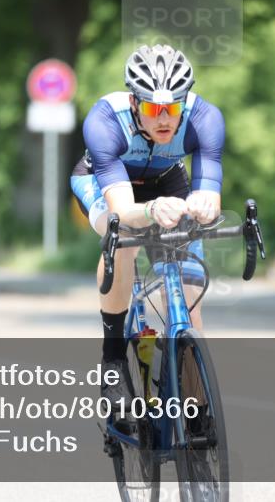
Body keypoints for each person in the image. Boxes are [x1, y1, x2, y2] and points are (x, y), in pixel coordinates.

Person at [69, 44, 225, 408]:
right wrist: (151, 210)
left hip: (167, 180)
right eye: (154, 109)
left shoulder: (205, 119)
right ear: (135, 102)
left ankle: (196, 403)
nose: (164, 118)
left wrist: (204, 205)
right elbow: (122, 210)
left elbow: (211, 195)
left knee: (189, 297)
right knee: (124, 235)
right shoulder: (105, 121)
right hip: (105, 183)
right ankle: (113, 363)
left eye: (173, 108)